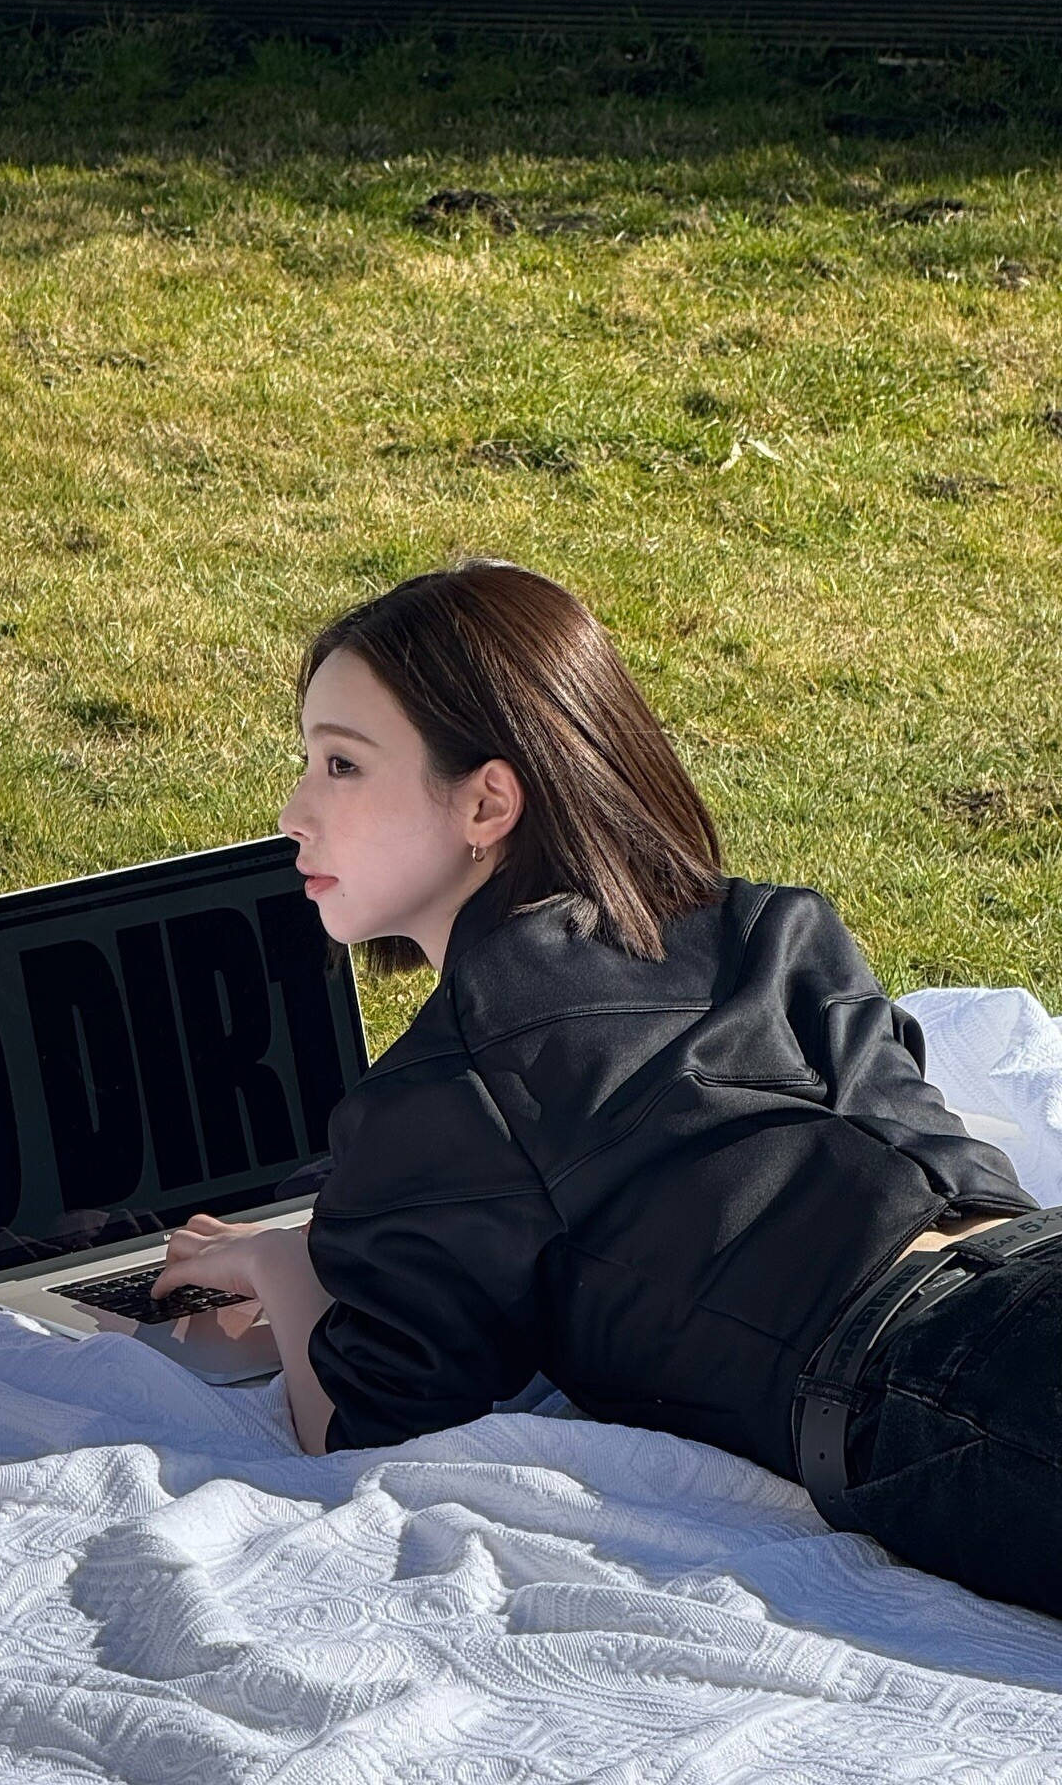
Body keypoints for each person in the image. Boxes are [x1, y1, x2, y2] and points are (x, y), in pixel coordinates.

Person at [148, 557, 1062, 1620]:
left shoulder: (447, 1088)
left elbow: (360, 1426)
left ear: (488, 800)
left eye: (341, 764)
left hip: (940, 1380)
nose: (294, 811)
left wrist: (281, 1260)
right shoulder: (768, 925)